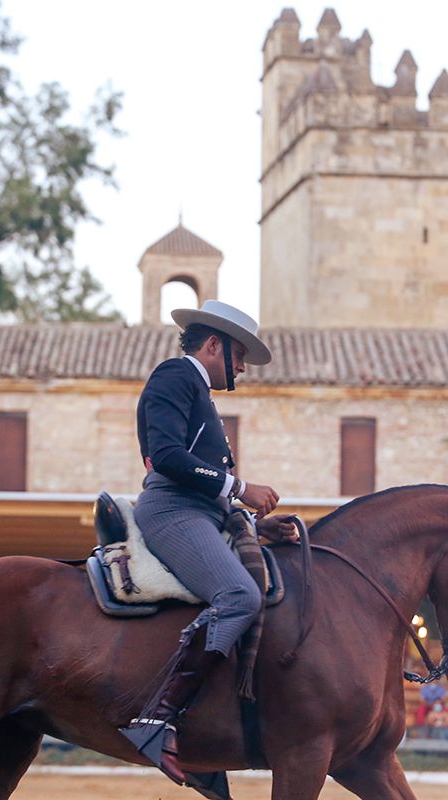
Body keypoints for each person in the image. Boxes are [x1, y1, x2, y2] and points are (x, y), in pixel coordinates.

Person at [118, 300, 296, 787]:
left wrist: (252, 527)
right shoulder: (176, 376)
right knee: (240, 595)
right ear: (213, 344)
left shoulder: (197, 390)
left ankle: (207, 735)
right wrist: (241, 488)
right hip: (173, 509)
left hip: (202, 512)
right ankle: (158, 718)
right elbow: (169, 456)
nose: (242, 368)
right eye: (239, 356)